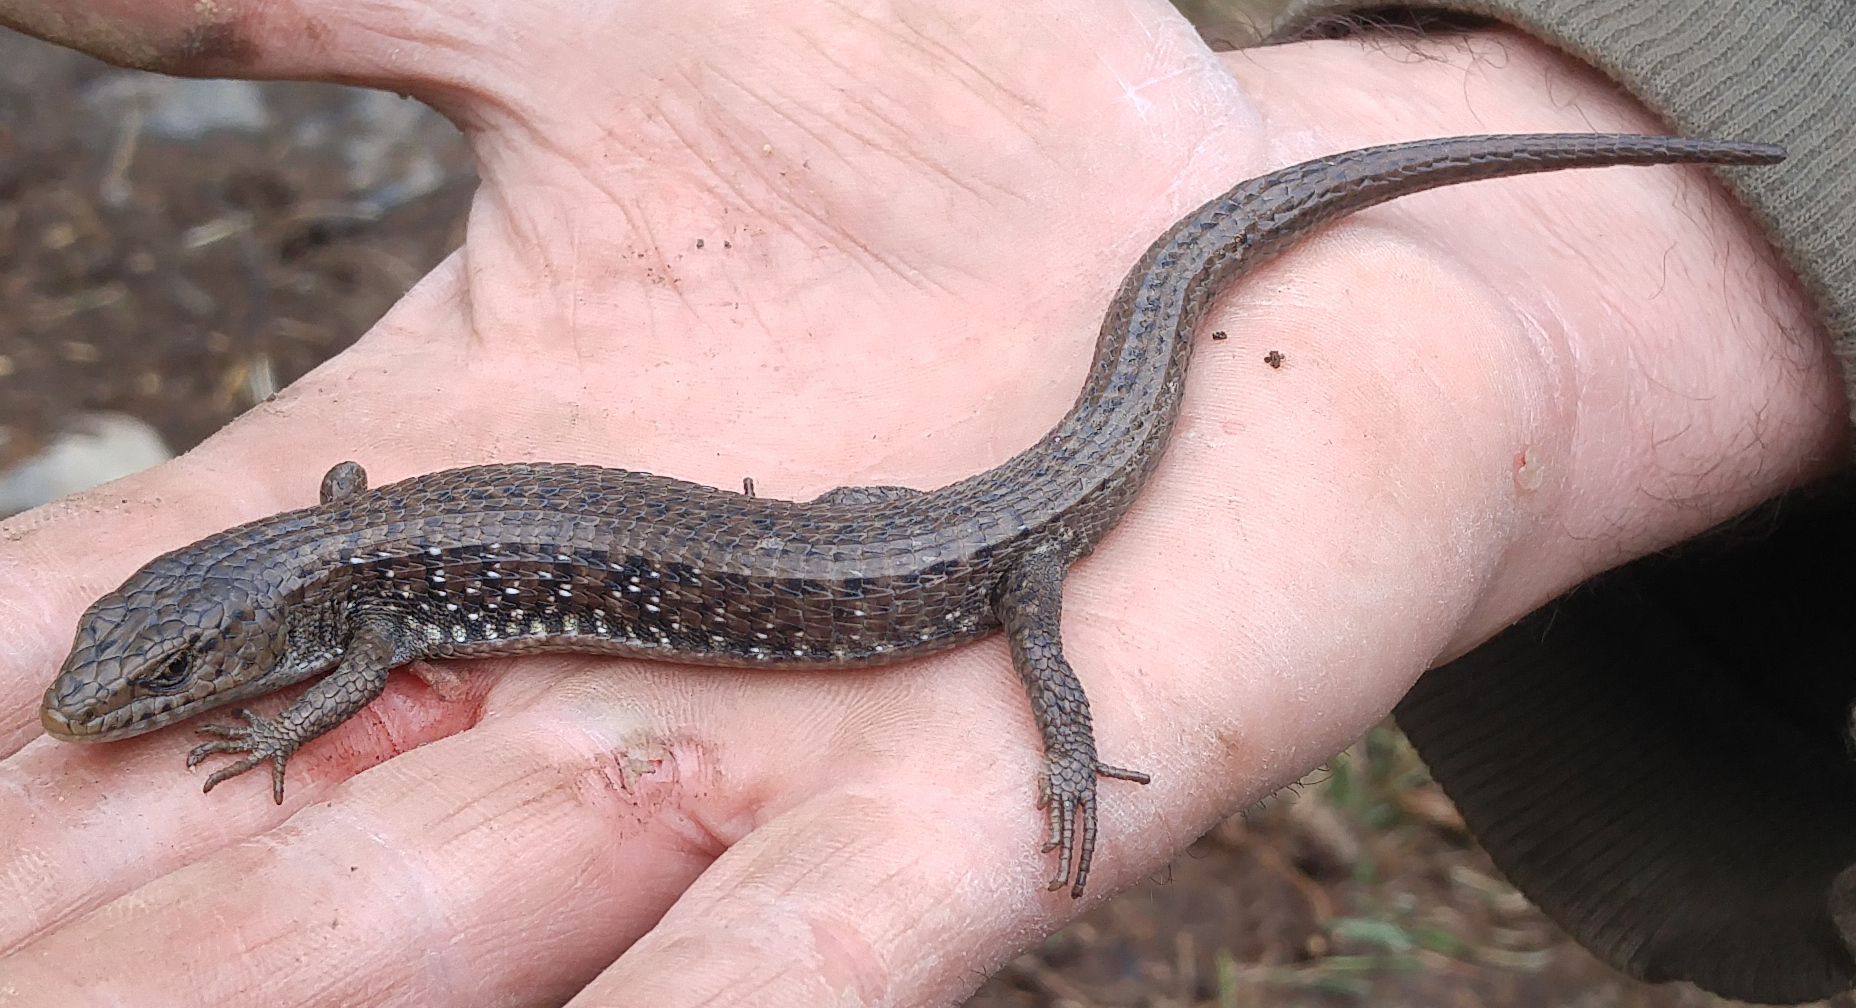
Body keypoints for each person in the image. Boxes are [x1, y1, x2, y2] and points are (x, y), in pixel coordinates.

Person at [0, 0, 1848, 1003]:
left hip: (979, 555)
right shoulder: (356, 569)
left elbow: (334, 642)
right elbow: (344, 579)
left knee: (1035, 641)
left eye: (168, 670)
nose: (134, 703)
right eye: (152, 674)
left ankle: (1057, 741)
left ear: (270, 604)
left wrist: (1068, 755)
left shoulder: (347, 600)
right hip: (925, 521)